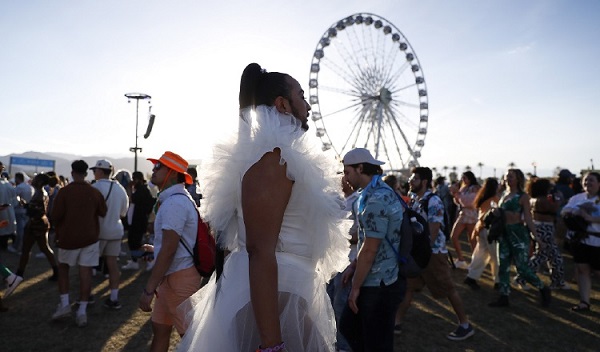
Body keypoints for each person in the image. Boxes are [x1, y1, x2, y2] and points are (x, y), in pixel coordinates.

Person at [177, 63, 349, 352]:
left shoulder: (279, 159)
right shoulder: (273, 161)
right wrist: (272, 345)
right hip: (272, 304)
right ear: (282, 104)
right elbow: (259, 251)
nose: (307, 105)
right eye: (301, 96)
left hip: (285, 297)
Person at [395, 167, 475, 341]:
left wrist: (423, 251)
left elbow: (434, 228)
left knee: (448, 289)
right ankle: (396, 323)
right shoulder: (415, 199)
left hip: (433, 254)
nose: (410, 181)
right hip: (418, 254)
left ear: (424, 182)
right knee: (408, 288)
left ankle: (465, 324)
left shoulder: (434, 201)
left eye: (414, 179)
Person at [338, 148, 405, 352]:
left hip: (379, 283)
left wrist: (355, 288)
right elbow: (368, 241)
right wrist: (355, 265)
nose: (345, 178)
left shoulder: (376, 200)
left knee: (375, 341)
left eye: (347, 172)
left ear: (360, 168)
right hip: (377, 278)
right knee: (352, 329)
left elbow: (370, 248)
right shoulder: (374, 194)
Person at [138, 151, 202, 352]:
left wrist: (149, 290)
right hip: (172, 278)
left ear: (172, 173)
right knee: (160, 329)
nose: (153, 170)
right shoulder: (175, 200)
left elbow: (169, 250)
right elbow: (170, 246)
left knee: (191, 339)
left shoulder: (175, 202)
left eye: (159, 167)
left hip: (179, 279)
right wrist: (157, 249)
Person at [51, 160, 107, 327]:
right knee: (86, 273)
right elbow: (103, 212)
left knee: (63, 269)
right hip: (89, 237)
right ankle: (82, 311)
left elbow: (55, 216)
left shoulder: (64, 192)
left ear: (72, 172)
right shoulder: (94, 192)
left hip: (68, 238)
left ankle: (65, 303)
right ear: (86, 173)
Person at [489, 169, 551, 308]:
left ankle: (542, 288)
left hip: (518, 233)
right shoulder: (503, 194)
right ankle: (504, 296)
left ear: (518, 179)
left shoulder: (523, 196)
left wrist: (537, 238)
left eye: (511, 177)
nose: (508, 179)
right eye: (506, 177)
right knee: (503, 265)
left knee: (522, 268)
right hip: (503, 233)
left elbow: (528, 218)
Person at [90, 159, 129, 309]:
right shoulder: (120, 189)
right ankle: (114, 297)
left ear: (100, 171)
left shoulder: (95, 187)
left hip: (98, 232)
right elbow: (123, 213)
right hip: (115, 231)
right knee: (112, 264)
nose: (94, 173)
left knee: (89, 265)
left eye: (95, 171)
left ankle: (87, 296)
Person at [326, 176, 358, 352]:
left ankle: (344, 346)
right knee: (329, 303)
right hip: (333, 260)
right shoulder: (341, 200)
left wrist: (342, 239)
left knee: (340, 305)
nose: (340, 180)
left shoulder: (357, 201)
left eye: (345, 175)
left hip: (348, 260)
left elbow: (364, 234)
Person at [561, 172, 600, 312]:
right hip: (581, 240)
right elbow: (563, 212)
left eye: (591, 180)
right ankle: (584, 302)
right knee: (582, 270)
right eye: (585, 180)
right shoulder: (577, 197)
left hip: (597, 240)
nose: (588, 183)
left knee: (598, 272)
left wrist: (590, 218)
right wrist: (573, 212)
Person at [526, 178, 568, 290]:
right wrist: (560, 199)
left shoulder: (533, 199)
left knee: (555, 257)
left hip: (541, 227)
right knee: (540, 256)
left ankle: (557, 281)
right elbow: (554, 208)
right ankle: (523, 276)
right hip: (545, 228)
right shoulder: (542, 200)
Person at [15, 173, 59, 281]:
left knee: (26, 250)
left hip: (35, 225)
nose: (32, 180)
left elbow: (36, 211)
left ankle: (19, 274)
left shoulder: (39, 194)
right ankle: (56, 270)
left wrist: (26, 206)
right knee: (45, 248)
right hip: (42, 224)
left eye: (35, 179)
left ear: (39, 182)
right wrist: (27, 205)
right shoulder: (44, 193)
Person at [464, 178, 500, 290]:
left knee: (480, 254)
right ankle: (498, 281)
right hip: (490, 229)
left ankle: (471, 276)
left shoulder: (482, 198)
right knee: (495, 256)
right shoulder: (494, 199)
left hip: (480, 228)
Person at [122, 171, 155, 271]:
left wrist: (128, 189)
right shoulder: (141, 189)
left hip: (139, 221)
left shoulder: (142, 190)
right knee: (133, 242)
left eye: (135, 179)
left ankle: (148, 260)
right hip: (136, 221)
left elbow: (132, 199)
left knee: (136, 243)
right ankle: (135, 260)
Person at [449, 171, 480, 269]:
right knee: (454, 236)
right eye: (462, 178)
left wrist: (458, 194)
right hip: (463, 215)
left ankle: (475, 261)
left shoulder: (475, 188)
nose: (463, 180)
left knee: (472, 240)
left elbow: (470, 202)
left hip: (471, 215)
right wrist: (455, 194)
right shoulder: (464, 188)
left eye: (464, 178)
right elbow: (459, 202)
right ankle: (461, 259)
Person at [10, 172, 34, 254]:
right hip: (27, 211)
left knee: (20, 231)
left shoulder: (19, 188)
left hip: (19, 210)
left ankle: (18, 247)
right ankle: (24, 247)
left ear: (17, 178)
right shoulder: (30, 187)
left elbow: (13, 198)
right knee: (25, 230)